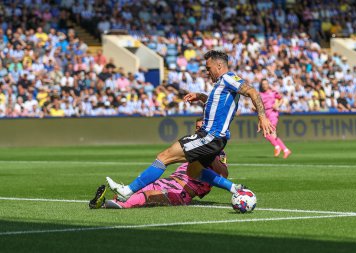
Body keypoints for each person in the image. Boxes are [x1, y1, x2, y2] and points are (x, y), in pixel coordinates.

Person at [106, 50, 275, 202]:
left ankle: (126, 191)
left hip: (210, 136)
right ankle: (235, 189)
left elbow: (252, 91)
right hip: (216, 139)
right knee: (193, 171)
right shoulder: (221, 85)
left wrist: (262, 116)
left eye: (208, 68)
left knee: (164, 157)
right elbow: (217, 105)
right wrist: (201, 96)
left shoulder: (228, 78)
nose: (207, 72)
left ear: (219, 65)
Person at [89, 119, 237, 209]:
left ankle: (114, 205)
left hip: (182, 192)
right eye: (197, 128)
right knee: (138, 191)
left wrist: (209, 155)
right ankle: (103, 203)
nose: (198, 130)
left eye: (201, 128)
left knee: (150, 196)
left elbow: (223, 173)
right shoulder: (192, 147)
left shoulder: (217, 152)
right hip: (168, 181)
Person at [259, 79, 292, 158]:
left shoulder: (273, 92)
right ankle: (286, 150)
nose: (264, 85)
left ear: (268, 84)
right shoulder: (260, 94)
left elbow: (281, 98)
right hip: (265, 116)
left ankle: (277, 147)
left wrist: (277, 105)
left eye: (266, 83)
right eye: (263, 84)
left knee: (266, 133)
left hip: (273, 114)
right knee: (273, 136)